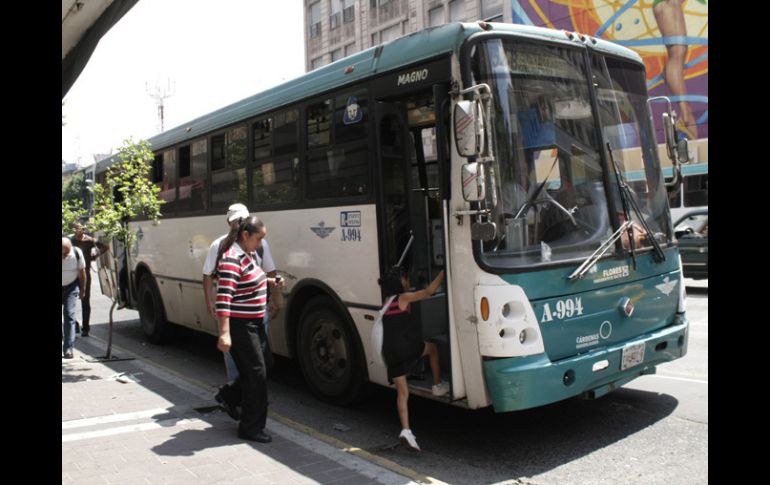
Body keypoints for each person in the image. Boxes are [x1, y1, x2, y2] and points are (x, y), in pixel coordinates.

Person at [203, 204, 280, 420]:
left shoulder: (251, 251)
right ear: (244, 234)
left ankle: (231, 397)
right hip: (241, 322)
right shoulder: (228, 254)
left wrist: (274, 289)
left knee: (262, 367)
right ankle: (249, 416)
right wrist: (224, 332)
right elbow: (223, 296)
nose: (260, 243)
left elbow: (260, 275)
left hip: (257, 317)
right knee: (251, 371)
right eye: (258, 239)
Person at [378, 267, 448, 452]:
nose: (408, 281)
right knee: (432, 348)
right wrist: (443, 273)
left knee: (403, 393)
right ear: (401, 281)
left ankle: (406, 431)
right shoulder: (403, 298)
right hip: (405, 348)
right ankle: (438, 385)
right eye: (406, 278)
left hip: (389, 353)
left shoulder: (387, 302)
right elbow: (429, 292)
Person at [653, 0, 698, 140]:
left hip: (668, 4)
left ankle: (685, 113)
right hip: (667, 3)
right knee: (677, 51)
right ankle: (685, 114)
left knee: (678, 52)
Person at [70, 222, 109, 337]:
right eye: (75, 229)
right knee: (70, 302)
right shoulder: (71, 241)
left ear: (83, 230)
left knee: (85, 302)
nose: (77, 231)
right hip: (72, 275)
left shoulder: (89, 240)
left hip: (85, 275)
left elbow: (105, 247)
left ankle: (85, 328)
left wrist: (94, 257)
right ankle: (75, 324)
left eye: (79, 228)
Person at [62, 237, 86, 359]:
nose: (63, 256)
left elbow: (82, 272)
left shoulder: (76, 252)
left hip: (71, 286)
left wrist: (83, 289)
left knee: (69, 315)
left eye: (65, 253)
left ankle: (68, 348)